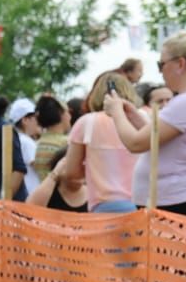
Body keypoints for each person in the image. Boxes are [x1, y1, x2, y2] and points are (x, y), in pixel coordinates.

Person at [107, 27, 186, 220]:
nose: (160, 72)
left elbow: (136, 143)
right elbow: (161, 136)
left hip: (177, 204)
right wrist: (134, 116)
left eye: (161, 65)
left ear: (180, 64)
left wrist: (116, 112)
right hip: (177, 202)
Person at [60, 70, 142, 213]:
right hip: (141, 205)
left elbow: (71, 173)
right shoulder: (142, 119)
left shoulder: (86, 122)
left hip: (104, 206)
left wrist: (92, 171)